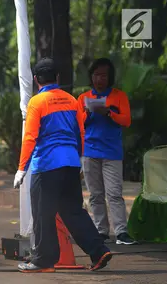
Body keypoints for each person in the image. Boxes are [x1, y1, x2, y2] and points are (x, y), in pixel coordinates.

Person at [14, 57, 112, 273]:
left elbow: (30, 137)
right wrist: (77, 158)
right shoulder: (71, 100)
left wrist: (22, 168)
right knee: (73, 211)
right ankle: (98, 250)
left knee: (42, 213)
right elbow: (81, 133)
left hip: (47, 165)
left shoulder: (36, 102)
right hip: (70, 163)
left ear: (36, 79)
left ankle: (43, 261)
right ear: (57, 77)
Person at [77, 58, 136, 245]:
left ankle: (121, 233)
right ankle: (101, 231)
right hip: (90, 151)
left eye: (103, 75)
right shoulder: (83, 98)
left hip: (112, 152)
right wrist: (88, 112)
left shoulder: (119, 96)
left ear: (109, 77)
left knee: (114, 194)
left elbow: (126, 121)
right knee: (95, 194)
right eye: (96, 75)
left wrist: (109, 113)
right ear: (91, 77)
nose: (99, 79)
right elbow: (77, 124)